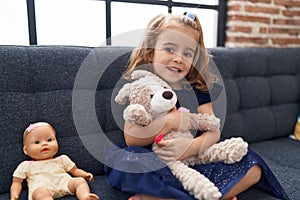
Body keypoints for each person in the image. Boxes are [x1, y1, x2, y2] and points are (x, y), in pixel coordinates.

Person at [104, 13, 288, 200]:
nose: (178, 58)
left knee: (253, 165)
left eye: (187, 53)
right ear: (151, 51)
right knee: (124, 159)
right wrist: (169, 121)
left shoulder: (197, 88)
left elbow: (213, 131)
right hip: (155, 162)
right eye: (170, 49)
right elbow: (132, 139)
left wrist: (190, 146)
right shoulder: (143, 86)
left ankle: (167, 197)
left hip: (195, 161)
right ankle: (213, 195)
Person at [10, 122, 99, 200]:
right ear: (25, 150)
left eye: (49, 140)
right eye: (37, 142)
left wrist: (85, 174)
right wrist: (14, 196)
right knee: (41, 194)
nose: (45, 143)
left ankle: (85, 196)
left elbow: (75, 170)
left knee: (80, 181)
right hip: (42, 187)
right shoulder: (25, 165)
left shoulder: (62, 159)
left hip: (64, 183)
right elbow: (16, 182)